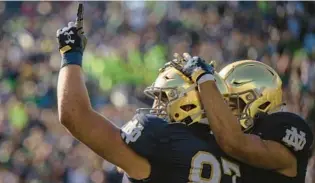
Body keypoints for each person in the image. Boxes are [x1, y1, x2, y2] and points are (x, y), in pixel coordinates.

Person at [56, 4, 244, 183]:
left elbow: (73, 116)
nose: (156, 106)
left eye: (164, 98)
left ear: (189, 105)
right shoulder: (243, 152)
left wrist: (70, 54)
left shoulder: (161, 139)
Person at [177, 54, 314, 183]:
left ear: (260, 102)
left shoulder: (282, 128)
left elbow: (234, 142)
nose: (225, 112)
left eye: (233, 104)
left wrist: (203, 78)